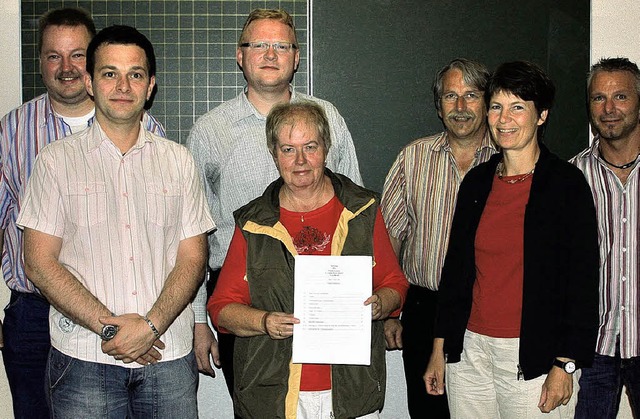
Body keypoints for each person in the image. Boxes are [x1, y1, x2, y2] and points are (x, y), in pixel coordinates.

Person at [16, 25, 215, 417]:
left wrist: (150, 327)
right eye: (110, 73)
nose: (123, 85)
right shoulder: (56, 162)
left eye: (135, 74)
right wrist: (109, 328)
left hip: (168, 358)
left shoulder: (179, 161)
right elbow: (38, 261)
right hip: (84, 359)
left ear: (151, 85)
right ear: (90, 82)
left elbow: (193, 259)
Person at [0, 8, 169, 419]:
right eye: (53, 56)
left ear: (93, 64)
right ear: (39, 61)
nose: (66, 67)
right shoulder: (12, 131)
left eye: (78, 55)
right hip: (34, 315)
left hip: (127, 314)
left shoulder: (151, 133)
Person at [186, 8, 362, 396]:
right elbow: (193, 237)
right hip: (244, 300)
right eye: (259, 45)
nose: (270, 55)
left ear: (296, 58)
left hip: (327, 296)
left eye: (281, 46)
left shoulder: (328, 118)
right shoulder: (210, 132)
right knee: (257, 407)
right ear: (239, 55)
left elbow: (358, 218)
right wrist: (199, 319)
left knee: (330, 405)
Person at [208, 101, 408, 418]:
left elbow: (394, 283)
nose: (300, 161)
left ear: (326, 147)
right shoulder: (253, 222)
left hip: (350, 389)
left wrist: (383, 303)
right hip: (274, 392)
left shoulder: (362, 209)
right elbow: (221, 309)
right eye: (288, 149)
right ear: (274, 154)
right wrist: (263, 321)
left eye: (310, 147)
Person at [424, 61, 599, 417]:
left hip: (533, 356)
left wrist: (565, 364)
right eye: (496, 106)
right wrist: (439, 349)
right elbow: (456, 272)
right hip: (469, 354)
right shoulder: (476, 183)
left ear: (542, 115)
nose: (504, 119)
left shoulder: (566, 185)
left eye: (518, 107)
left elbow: (582, 284)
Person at [380, 58, 497, 418]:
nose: (460, 107)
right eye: (450, 96)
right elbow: (388, 243)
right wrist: (391, 311)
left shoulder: (512, 159)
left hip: (489, 310)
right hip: (424, 310)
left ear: (488, 102)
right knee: (429, 410)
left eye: (471, 95)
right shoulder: (411, 159)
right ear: (438, 105)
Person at [571, 57, 640, 418]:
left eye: (621, 97)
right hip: (594, 347)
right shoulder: (572, 177)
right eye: (599, 98)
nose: (609, 109)